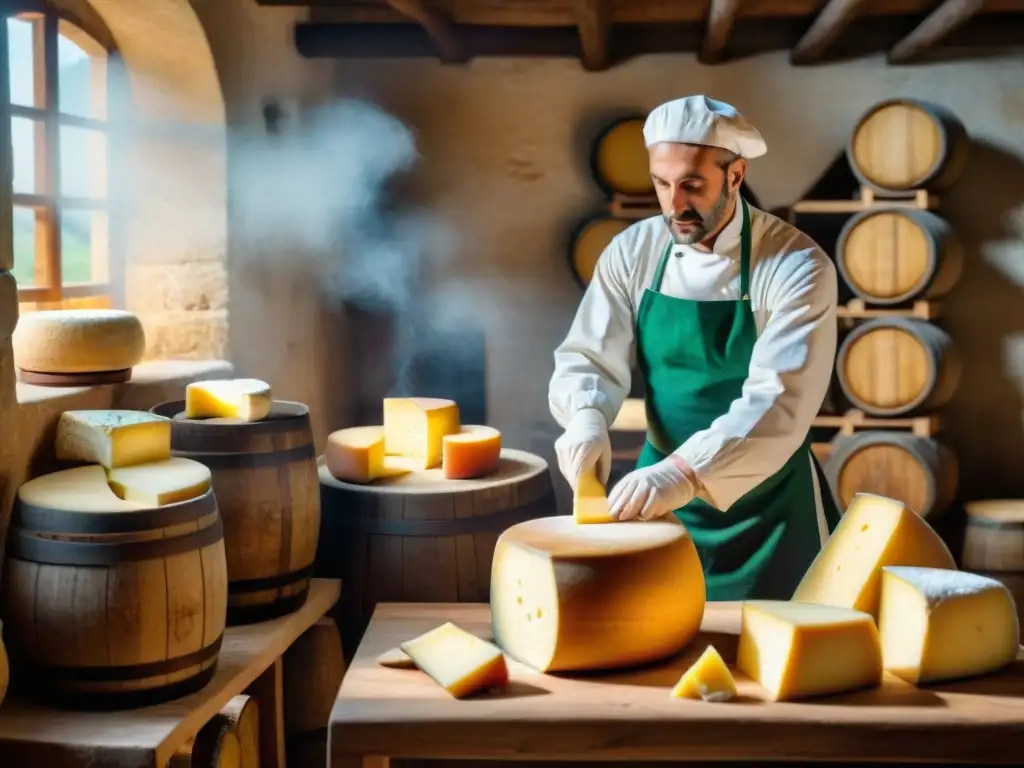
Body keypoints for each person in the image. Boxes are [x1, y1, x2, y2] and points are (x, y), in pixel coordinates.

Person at [548, 95, 842, 601]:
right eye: (661, 184)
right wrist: (586, 418)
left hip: (768, 504)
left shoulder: (796, 264)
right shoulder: (633, 250)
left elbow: (780, 400)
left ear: (735, 174)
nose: (674, 204)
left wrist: (686, 472)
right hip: (656, 498)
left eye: (692, 185)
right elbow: (589, 355)